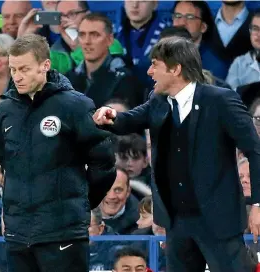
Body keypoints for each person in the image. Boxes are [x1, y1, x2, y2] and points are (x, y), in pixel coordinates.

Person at [93, 36, 260, 272]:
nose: (149, 71)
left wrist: (257, 204)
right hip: (176, 222)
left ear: (175, 69)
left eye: (155, 65)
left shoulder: (220, 100)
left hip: (217, 221)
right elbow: (128, 120)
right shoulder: (158, 100)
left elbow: (255, 150)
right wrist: (110, 115)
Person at [0, 33, 116, 272]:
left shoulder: (75, 105)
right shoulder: (5, 109)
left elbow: (104, 163)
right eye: (13, 69)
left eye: (24, 69)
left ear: (45, 65)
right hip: (18, 233)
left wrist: (80, 204)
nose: (17, 76)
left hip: (63, 231)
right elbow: (5, 160)